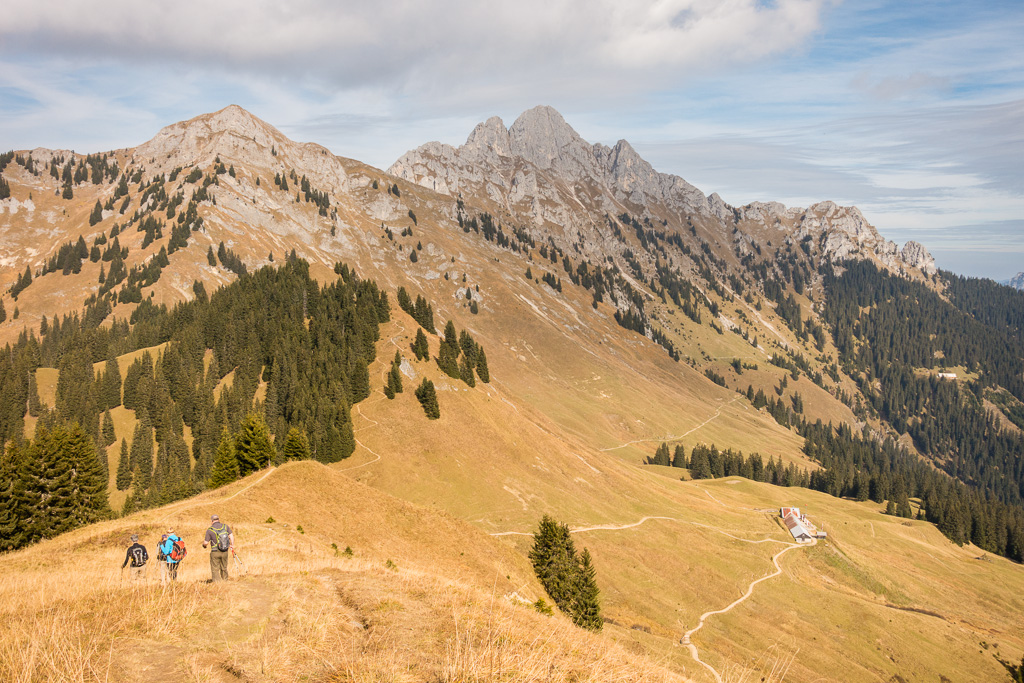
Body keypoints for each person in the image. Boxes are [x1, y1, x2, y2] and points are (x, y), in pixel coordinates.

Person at [203, 514, 234, 581]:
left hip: (215, 551)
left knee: (215, 568)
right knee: (224, 567)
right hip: (225, 550)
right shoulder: (225, 527)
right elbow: (231, 535)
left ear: (212, 521)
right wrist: (232, 544)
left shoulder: (210, 530)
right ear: (218, 519)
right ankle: (225, 580)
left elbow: (206, 543)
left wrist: (204, 546)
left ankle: (218, 583)